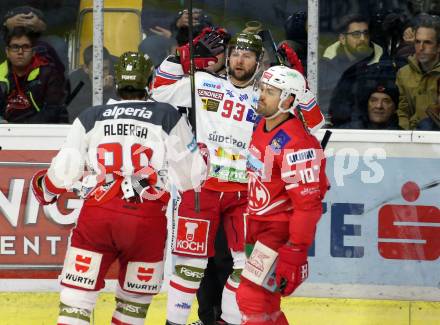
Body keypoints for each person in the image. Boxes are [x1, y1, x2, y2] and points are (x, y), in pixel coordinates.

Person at [153, 29, 324, 325]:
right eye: (235, 54)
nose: (239, 60)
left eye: (247, 55)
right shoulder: (204, 82)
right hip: (201, 189)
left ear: (259, 62)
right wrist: (181, 56)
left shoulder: (266, 96)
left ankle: (230, 322)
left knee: (246, 267)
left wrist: (300, 84)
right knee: (190, 266)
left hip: (245, 195)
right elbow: (158, 90)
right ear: (227, 57)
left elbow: (316, 124)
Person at [30, 51, 207, 325]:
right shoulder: (166, 115)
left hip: (98, 213)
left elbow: (64, 172)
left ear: (117, 83)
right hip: (146, 219)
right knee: (132, 308)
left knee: (77, 302)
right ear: (148, 80)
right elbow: (190, 178)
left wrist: (46, 190)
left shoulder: (92, 116)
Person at [236, 65, 328, 325]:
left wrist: (295, 251)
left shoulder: (297, 142)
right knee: (265, 303)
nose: (262, 95)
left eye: (271, 92)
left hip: (277, 232)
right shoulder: (263, 125)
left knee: (252, 297)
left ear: (288, 100)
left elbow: (308, 206)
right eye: (262, 89)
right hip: (258, 226)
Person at [319, 14, 388, 126]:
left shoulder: (381, 65)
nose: (362, 39)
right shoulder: (326, 68)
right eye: (356, 34)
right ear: (342, 39)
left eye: (365, 33)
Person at [0, 26, 67, 123]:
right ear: (7, 52)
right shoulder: (1, 73)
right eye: (15, 47)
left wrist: (23, 127)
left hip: (39, 132)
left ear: (33, 52)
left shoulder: (48, 74)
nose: (20, 52)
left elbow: (53, 110)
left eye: (25, 47)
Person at [396, 14, 440, 130]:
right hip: (411, 139)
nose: (421, 48)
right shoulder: (403, 73)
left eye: (427, 42)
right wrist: (408, 136)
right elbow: (402, 110)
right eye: (417, 42)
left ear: (438, 47)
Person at [67, 45, 117, 122]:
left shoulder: (118, 75)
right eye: (97, 69)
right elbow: (75, 115)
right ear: (86, 68)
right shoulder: (76, 82)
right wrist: (100, 91)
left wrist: (109, 91)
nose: (102, 74)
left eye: (105, 69)